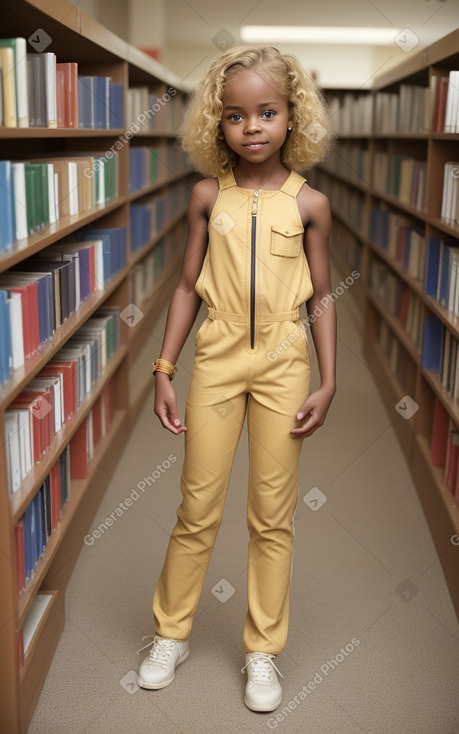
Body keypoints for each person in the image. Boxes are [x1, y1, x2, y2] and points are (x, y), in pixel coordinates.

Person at [137, 44, 337, 713]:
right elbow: (187, 286)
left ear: (291, 117)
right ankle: (171, 634)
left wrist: (328, 378)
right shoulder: (205, 197)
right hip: (217, 360)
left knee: (271, 517)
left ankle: (261, 652)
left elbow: (323, 298)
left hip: (284, 362)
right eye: (234, 115)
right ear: (215, 125)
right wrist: (165, 367)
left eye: (267, 112)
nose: (251, 126)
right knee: (197, 508)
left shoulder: (310, 204)